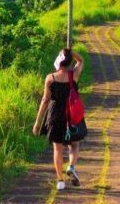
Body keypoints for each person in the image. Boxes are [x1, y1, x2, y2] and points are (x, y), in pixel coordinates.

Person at [33, 49, 85, 190]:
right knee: (74, 144)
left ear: (59, 61)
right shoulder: (73, 75)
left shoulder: (51, 78)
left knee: (58, 148)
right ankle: (72, 166)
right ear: (69, 62)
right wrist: (71, 51)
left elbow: (45, 100)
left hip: (55, 114)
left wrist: (38, 122)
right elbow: (81, 60)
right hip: (71, 114)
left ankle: (60, 180)